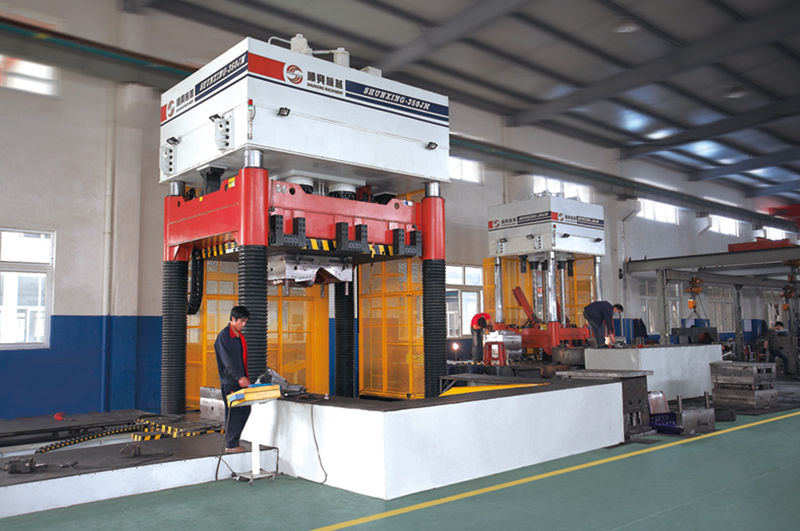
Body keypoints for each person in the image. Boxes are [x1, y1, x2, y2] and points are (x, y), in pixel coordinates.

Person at [215, 305, 251, 453]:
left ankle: (235, 441)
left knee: (245, 409)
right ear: (232, 319)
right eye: (241, 321)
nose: (244, 325)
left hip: (240, 381)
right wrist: (239, 377)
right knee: (234, 413)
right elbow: (227, 360)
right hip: (230, 382)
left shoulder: (239, 337)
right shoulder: (224, 337)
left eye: (245, 322)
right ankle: (231, 444)